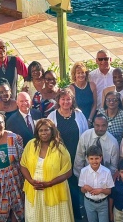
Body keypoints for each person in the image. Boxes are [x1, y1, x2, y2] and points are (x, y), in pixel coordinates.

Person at [20, 118, 74, 221]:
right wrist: (31, 181)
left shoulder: (60, 148)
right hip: (34, 190)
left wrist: (50, 183)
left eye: (46, 130)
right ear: (37, 132)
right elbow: (23, 165)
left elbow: (68, 172)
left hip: (55, 190)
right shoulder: (31, 145)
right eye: (41, 130)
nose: (43, 133)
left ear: (52, 131)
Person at [47, 88, 88, 219]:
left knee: (76, 187)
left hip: (78, 155)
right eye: (63, 99)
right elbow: (47, 137)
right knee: (64, 187)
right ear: (58, 100)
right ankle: (64, 216)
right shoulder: (52, 116)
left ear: (72, 100)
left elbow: (86, 133)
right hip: (60, 158)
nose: (66, 102)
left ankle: (77, 215)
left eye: (68, 99)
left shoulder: (79, 114)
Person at [79, 145, 114, 222]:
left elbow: (109, 191)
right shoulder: (83, 172)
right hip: (89, 202)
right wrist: (85, 188)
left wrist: (101, 190)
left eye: (97, 158)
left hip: (103, 203)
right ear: (87, 159)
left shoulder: (107, 172)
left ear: (101, 158)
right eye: (91, 159)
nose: (94, 161)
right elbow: (82, 190)